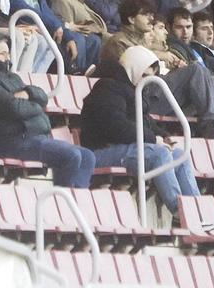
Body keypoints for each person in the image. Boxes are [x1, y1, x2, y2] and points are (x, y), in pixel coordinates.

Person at [81, 46, 199, 215]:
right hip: (101, 150)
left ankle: (195, 210)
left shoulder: (133, 90)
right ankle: (179, 212)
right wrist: (153, 139)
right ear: (131, 68)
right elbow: (116, 126)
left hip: (124, 148)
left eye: (150, 77)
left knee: (180, 155)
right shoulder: (107, 87)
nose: (147, 82)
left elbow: (145, 121)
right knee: (159, 154)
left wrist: (163, 136)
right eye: (144, 75)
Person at [0, 36, 94, 187]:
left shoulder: (13, 78)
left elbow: (42, 97)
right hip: (14, 141)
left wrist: (28, 94)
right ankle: (62, 201)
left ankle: (76, 200)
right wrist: (34, 104)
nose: (8, 57)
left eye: (8, 53)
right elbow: (14, 108)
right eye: (2, 53)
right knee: (71, 155)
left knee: (88, 157)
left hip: (35, 137)